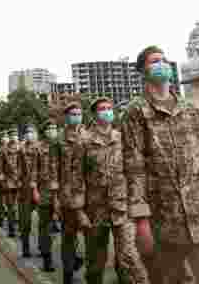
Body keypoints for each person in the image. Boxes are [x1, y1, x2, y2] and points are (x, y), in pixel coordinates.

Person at [122, 45, 199, 284]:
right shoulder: (135, 112)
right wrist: (141, 220)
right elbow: (134, 167)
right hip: (166, 222)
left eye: (164, 60)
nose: (162, 64)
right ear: (142, 71)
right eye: (155, 61)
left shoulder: (190, 110)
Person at [80, 97, 149, 284]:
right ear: (94, 114)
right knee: (96, 261)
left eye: (109, 108)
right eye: (102, 109)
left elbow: (134, 170)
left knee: (129, 256)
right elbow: (76, 177)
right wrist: (79, 210)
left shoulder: (121, 137)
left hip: (122, 206)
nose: (107, 111)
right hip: (96, 209)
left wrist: (138, 201)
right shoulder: (84, 141)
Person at [60, 100, 89, 284]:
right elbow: (52, 168)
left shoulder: (89, 136)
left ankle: (83, 264)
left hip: (90, 192)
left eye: (79, 113)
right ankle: (68, 273)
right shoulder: (59, 139)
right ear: (67, 116)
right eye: (73, 113)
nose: (77, 116)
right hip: (68, 194)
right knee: (69, 235)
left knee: (90, 235)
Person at [36, 121, 62, 272]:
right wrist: (35, 190)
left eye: (54, 128)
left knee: (69, 225)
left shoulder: (63, 144)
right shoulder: (39, 148)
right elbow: (33, 170)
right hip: (45, 190)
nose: (52, 130)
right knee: (45, 226)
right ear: (44, 131)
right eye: (49, 128)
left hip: (63, 190)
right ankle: (47, 258)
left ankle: (74, 257)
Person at [18, 123, 40, 257]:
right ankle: (25, 248)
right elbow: (18, 168)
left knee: (46, 222)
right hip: (25, 188)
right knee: (25, 221)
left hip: (40, 188)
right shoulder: (21, 150)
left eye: (32, 132)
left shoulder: (42, 148)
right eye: (28, 132)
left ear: (36, 134)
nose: (30, 134)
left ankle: (44, 249)